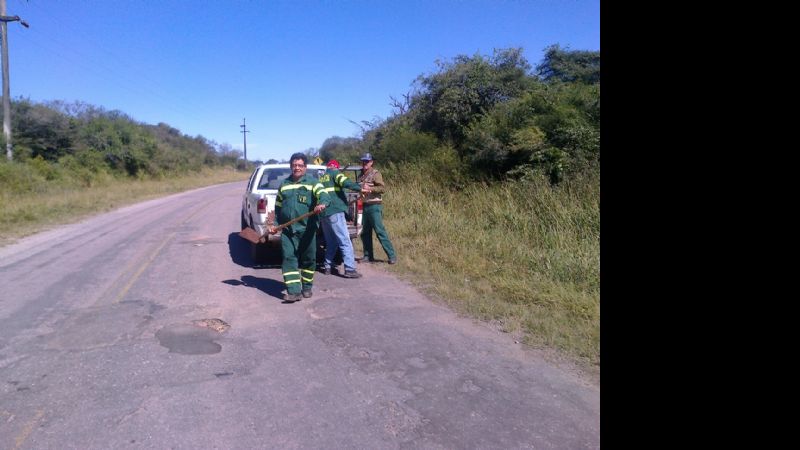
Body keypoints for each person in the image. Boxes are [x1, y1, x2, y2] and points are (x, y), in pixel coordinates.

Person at [268, 153, 331, 302]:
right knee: (288, 258)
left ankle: (307, 287)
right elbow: (278, 208)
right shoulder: (284, 184)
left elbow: (324, 195)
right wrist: (275, 225)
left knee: (309, 259)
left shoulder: (313, 183)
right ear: (291, 166)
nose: (297, 168)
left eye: (300, 165)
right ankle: (294, 291)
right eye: (294, 165)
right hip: (288, 231)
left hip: (307, 229)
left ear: (305, 167)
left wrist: (321, 204)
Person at [319, 159, 370, 278]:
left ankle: (327, 266)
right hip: (335, 211)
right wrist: (360, 188)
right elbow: (345, 182)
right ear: (336, 167)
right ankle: (350, 269)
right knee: (344, 240)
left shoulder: (321, 178)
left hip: (324, 214)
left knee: (331, 241)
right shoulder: (335, 173)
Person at [357, 152, 397, 264]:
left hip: (374, 206)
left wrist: (370, 189)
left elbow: (382, 189)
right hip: (364, 206)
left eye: (367, 161)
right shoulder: (361, 175)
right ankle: (367, 256)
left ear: (371, 162)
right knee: (365, 232)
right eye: (363, 161)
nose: (364, 163)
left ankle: (391, 256)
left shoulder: (375, 174)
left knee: (380, 231)